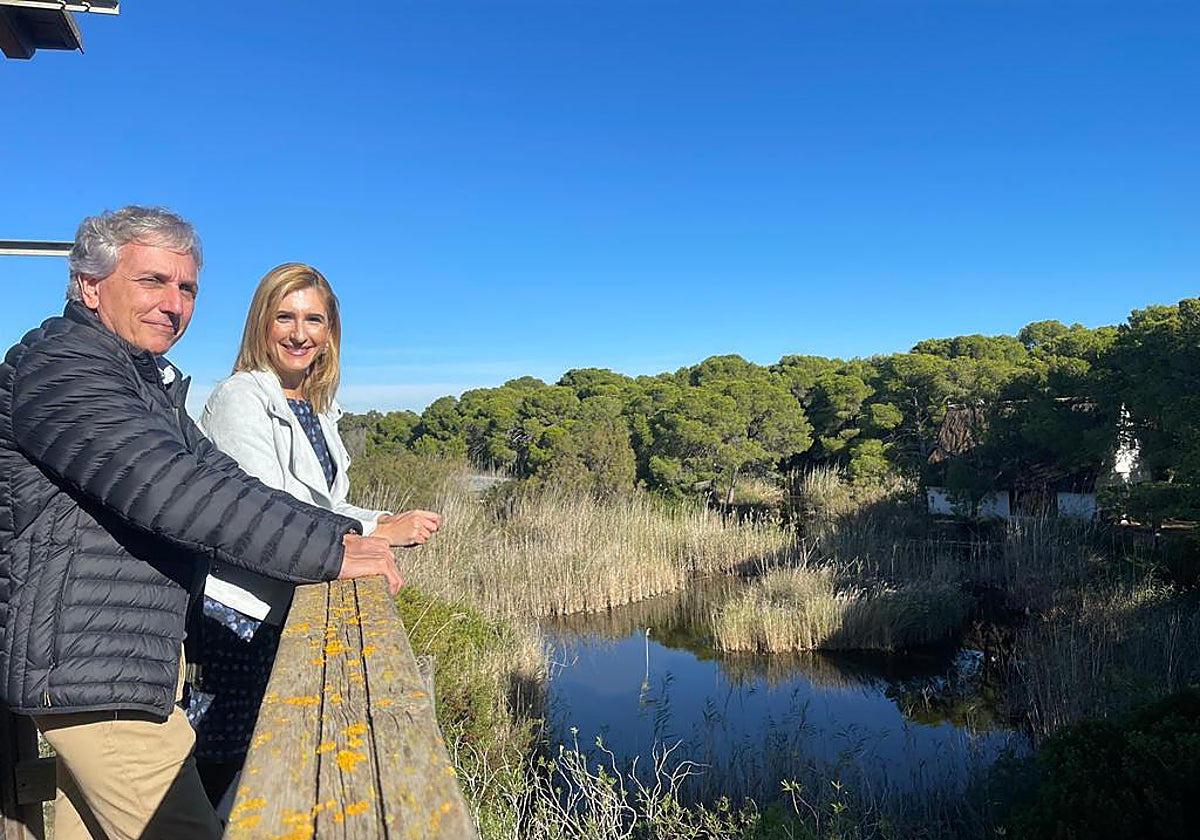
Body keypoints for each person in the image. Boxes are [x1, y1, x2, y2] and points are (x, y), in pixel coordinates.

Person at [0, 206, 402, 840]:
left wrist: (342, 534)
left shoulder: (140, 383)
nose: (174, 304)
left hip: (118, 670)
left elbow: (225, 481)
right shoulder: (62, 369)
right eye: (153, 281)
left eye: (186, 288)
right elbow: (176, 492)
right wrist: (332, 552)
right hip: (91, 679)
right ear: (89, 283)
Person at [192, 262, 441, 805]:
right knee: (227, 768)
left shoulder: (312, 406)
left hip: (289, 601)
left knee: (273, 762)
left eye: (314, 319)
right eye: (284, 316)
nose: (299, 333)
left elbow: (321, 502)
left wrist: (379, 524)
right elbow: (260, 507)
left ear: (330, 333)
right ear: (261, 322)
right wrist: (360, 533)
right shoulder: (241, 398)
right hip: (242, 613)